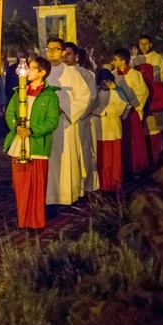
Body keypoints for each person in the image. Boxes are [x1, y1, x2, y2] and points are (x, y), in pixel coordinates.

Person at [4, 56, 59, 230]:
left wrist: (32, 131)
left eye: (32, 68)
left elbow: (52, 121)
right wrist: (16, 128)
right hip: (18, 142)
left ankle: (36, 222)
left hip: (36, 144)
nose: (28, 71)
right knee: (19, 185)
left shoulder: (50, 96)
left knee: (36, 186)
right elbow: (9, 113)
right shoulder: (19, 91)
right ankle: (23, 220)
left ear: (43, 73)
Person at [44, 38, 90, 207]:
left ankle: (65, 197)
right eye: (48, 49)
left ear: (63, 52)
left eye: (55, 49)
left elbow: (83, 97)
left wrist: (64, 109)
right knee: (49, 164)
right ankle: (48, 197)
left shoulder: (72, 73)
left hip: (64, 124)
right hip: (44, 127)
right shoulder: (42, 72)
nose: (51, 52)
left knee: (64, 162)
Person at [64, 42, 98, 192]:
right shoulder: (55, 74)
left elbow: (92, 98)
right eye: (63, 54)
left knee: (83, 152)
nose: (65, 57)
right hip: (61, 122)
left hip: (80, 120)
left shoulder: (86, 74)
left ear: (76, 57)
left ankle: (85, 186)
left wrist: (75, 114)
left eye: (69, 54)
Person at [112, 48, 150, 177]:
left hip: (132, 111)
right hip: (117, 111)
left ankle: (136, 167)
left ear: (123, 60)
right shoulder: (113, 74)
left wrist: (134, 106)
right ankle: (123, 167)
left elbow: (143, 92)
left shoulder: (135, 74)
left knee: (133, 140)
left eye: (116, 59)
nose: (113, 62)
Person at [92, 69, 129, 192]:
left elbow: (123, 105)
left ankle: (115, 183)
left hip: (113, 128)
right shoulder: (96, 92)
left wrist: (107, 111)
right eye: (102, 81)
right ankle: (103, 183)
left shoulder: (118, 91)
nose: (105, 83)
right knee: (102, 158)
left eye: (107, 80)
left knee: (114, 158)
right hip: (99, 129)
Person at [135, 63, 163, 168]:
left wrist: (150, 106)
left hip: (154, 116)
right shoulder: (139, 85)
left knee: (154, 140)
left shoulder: (155, 85)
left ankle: (153, 163)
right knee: (145, 141)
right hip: (145, 116)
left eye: (143, 72)